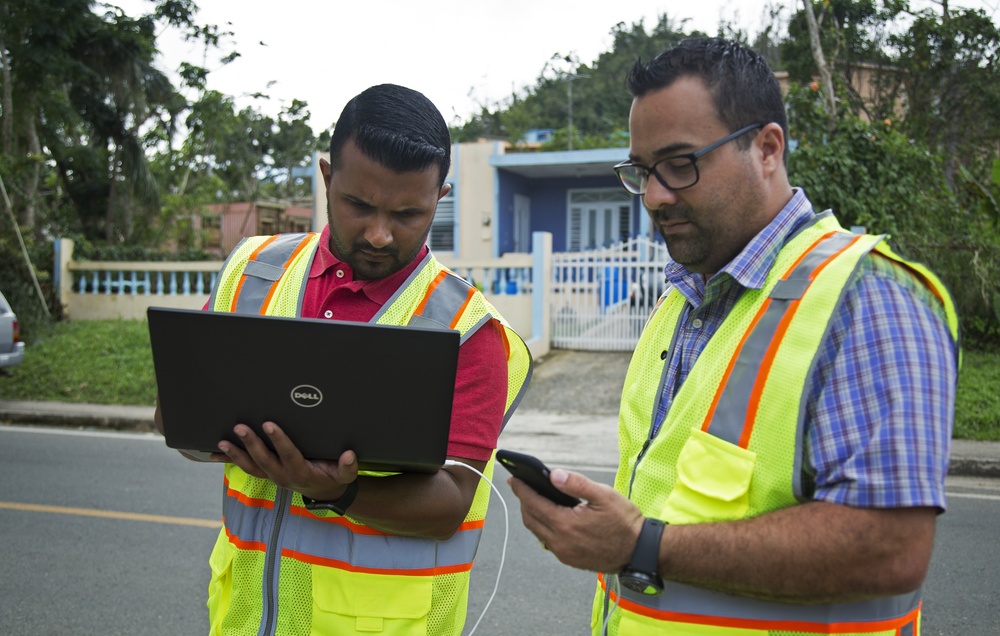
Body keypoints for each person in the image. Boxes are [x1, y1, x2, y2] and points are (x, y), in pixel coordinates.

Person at [508, 38, 959, 635]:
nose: (655, 195)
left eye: (680, 164)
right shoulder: (680, 301)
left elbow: (889, 546)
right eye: (641, 172)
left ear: (767, 148)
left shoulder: (867, 298)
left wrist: (642, 545)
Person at [155, 83, 532, 636]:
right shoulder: (253, 269)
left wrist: (338, 490)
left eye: (408, 213)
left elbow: (451, 502)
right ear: (328, 178)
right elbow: (178, 421)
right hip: (244, 619)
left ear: (440, 195)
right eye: (359, 205)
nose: (380, 235)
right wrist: (205, 432)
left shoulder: (470, 332)